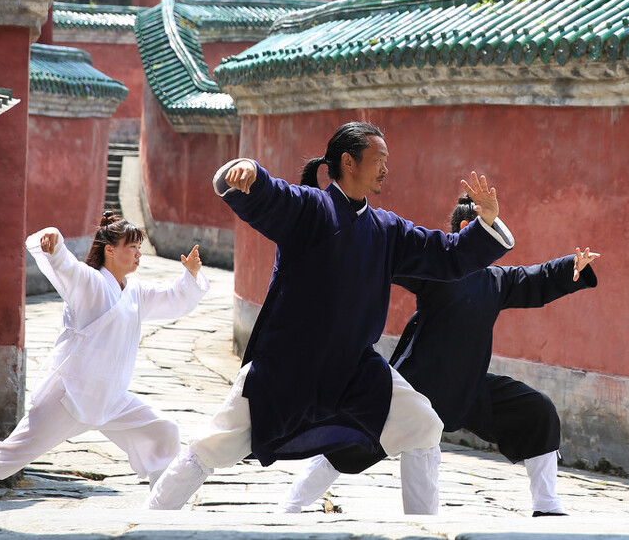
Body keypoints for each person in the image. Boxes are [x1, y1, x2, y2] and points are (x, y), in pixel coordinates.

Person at [147, 122, 515, 514]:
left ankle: (421, 530)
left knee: (424, 424)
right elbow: (271, 193)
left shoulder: (387, 230)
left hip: (353, 368)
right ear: (348, 161)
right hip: (287, 367)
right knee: (213, 446)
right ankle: (148, 520)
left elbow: (447, 255)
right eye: (379, 160)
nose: (386, 168)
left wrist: (486, 223)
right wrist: (248, 170)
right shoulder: (309, 209)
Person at [280, 194, 600, 517]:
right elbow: (388, 258)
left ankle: (546, 505)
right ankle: (291, 506)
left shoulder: (496, 281)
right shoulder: (438, 269)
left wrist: (570, 268)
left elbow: (537, 279)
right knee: (347, 446)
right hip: (413, 392)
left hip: (468, 391)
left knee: (537, 412)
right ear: (466, 229)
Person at [0, 212, 208, 518]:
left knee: (163, 431)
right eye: (132, 247)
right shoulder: (90, 283)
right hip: (70, 395)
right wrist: (52, 240)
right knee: (12, 452)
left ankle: (159, 511)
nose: (139, 253)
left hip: (111, 397)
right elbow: (66, 267)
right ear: (110, 250)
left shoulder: (136, 292)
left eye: (140, 247)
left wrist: (190, 275)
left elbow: (173, 297)